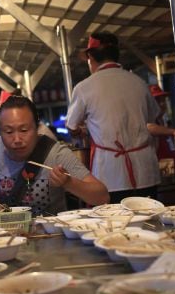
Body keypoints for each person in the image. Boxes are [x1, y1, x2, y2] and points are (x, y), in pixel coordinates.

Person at [66, 31, 161, 203]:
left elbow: (71, 126)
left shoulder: (84, 88)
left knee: (115, 226)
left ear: (91, 59)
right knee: (150, 221)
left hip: (110, 173)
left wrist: (82, 131)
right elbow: (152, 117)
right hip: (146, 170)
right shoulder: (138, 82)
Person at [0, 95, 109, 214]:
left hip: (50, 233)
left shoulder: (56, 154)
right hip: (7, 233)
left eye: (24, 130)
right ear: (0, 131)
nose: (17, 139)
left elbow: (102, 197)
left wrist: (69, 183)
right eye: (9, 131)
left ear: (37, 128)